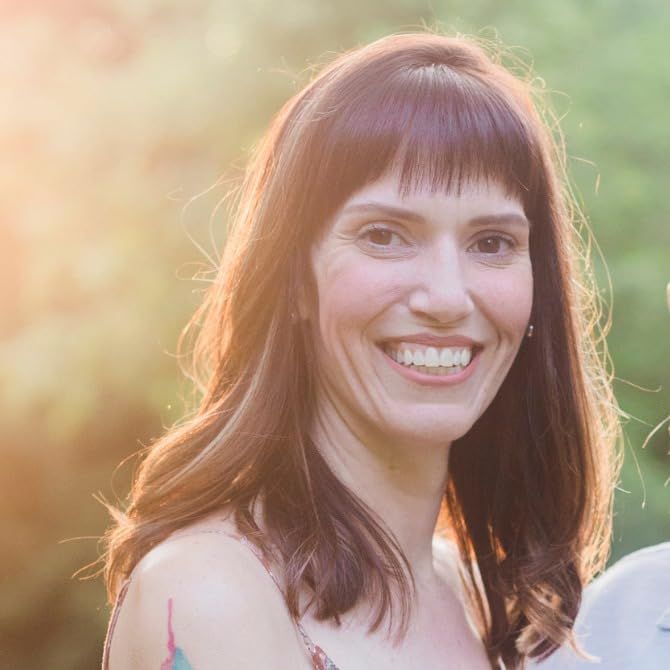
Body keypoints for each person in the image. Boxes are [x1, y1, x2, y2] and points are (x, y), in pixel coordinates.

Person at [100, 31, 623, 670]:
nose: (447, 296)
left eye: (491, 243)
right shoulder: (213, 593)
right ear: (294, 279)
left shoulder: (485, 604)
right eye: (385, 235)